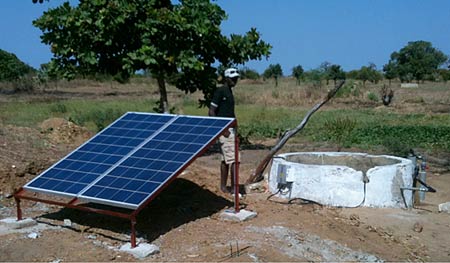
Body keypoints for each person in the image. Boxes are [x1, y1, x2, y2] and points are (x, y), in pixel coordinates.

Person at [208, 67, 240, 194]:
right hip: (226, 131)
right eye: (233, 78)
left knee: (225, 160)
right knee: (234, 160)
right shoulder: (221, 91)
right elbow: (211, 111)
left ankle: (223, 186)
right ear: (226, 78)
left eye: (236, 78)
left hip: (231, 129)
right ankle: (234, 189)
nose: (235, 80)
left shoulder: (229, 91)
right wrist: (222, 129)